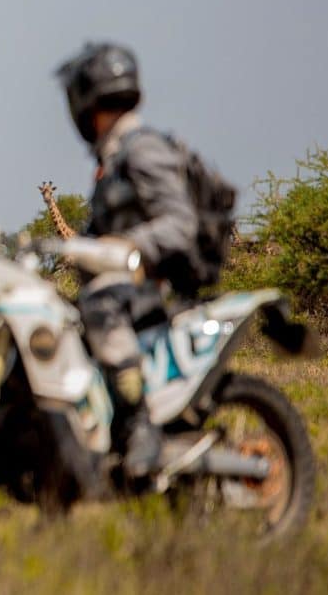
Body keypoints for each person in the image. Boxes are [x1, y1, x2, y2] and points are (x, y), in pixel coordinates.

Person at [55, 42, 198, 480]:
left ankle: (141, 428)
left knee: (99, 311)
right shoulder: (113, 157)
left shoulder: (141, 149)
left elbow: (180, 223)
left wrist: (127, 248)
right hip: (124, 285)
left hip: (146, 289)